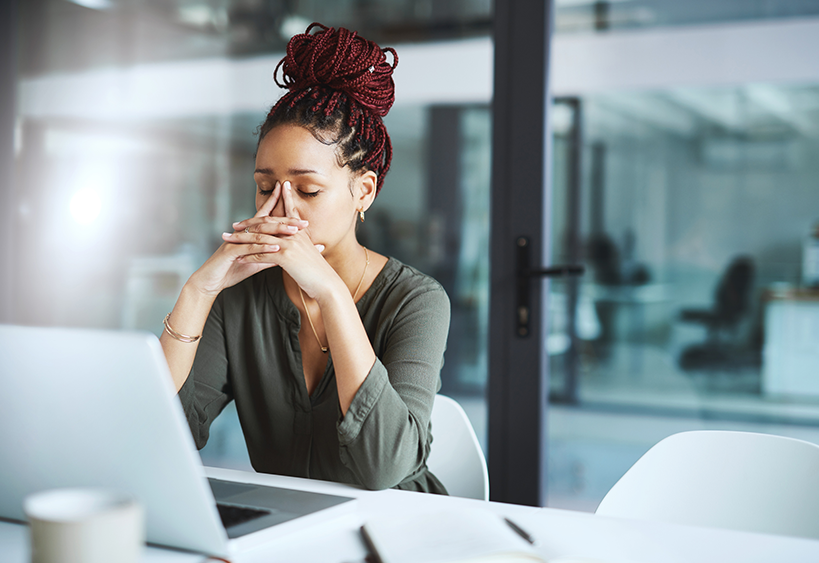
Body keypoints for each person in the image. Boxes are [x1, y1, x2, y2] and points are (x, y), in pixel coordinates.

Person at [159, 23, 450, 494]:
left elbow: (384, 469)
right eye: (265, 187)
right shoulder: (240, 297)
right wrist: (198, 292)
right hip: (288, 528)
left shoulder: (417, 300)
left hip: (398, 527)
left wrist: (332, 294)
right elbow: (166, 434)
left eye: (308, 190)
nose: (280, 209)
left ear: (365, 191)